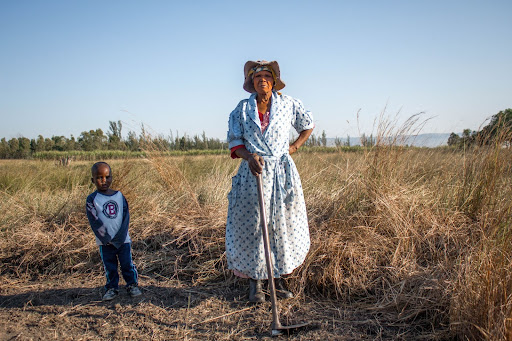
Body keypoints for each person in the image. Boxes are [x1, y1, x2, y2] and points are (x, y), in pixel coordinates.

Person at [226, 60, 314, 302]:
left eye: (267, 75)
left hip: (281, 174)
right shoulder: (242, 109)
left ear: (274, 81)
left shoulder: (288, 104)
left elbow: (307, 125)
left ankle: (277, 281)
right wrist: (249, 156)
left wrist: (294, 146)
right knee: (255, 226)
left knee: (279, 225)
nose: (262, 79)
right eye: (257, 77)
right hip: (253, 173)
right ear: (251, 83)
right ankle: (256, 284)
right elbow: (235, 141)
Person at [86, 161, 141, 301]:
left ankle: (132, 285)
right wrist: (107, 238)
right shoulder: (92, 199)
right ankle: (112, 288)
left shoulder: (119, 196)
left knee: (127, 264)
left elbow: (125, 217)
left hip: (123, 240)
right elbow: (94, 221)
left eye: (107, 176)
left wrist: (120, 237)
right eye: (99, 178)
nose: (104, 181)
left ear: (111, 177)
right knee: (110, 266)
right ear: (93, 180)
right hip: (105, 242)